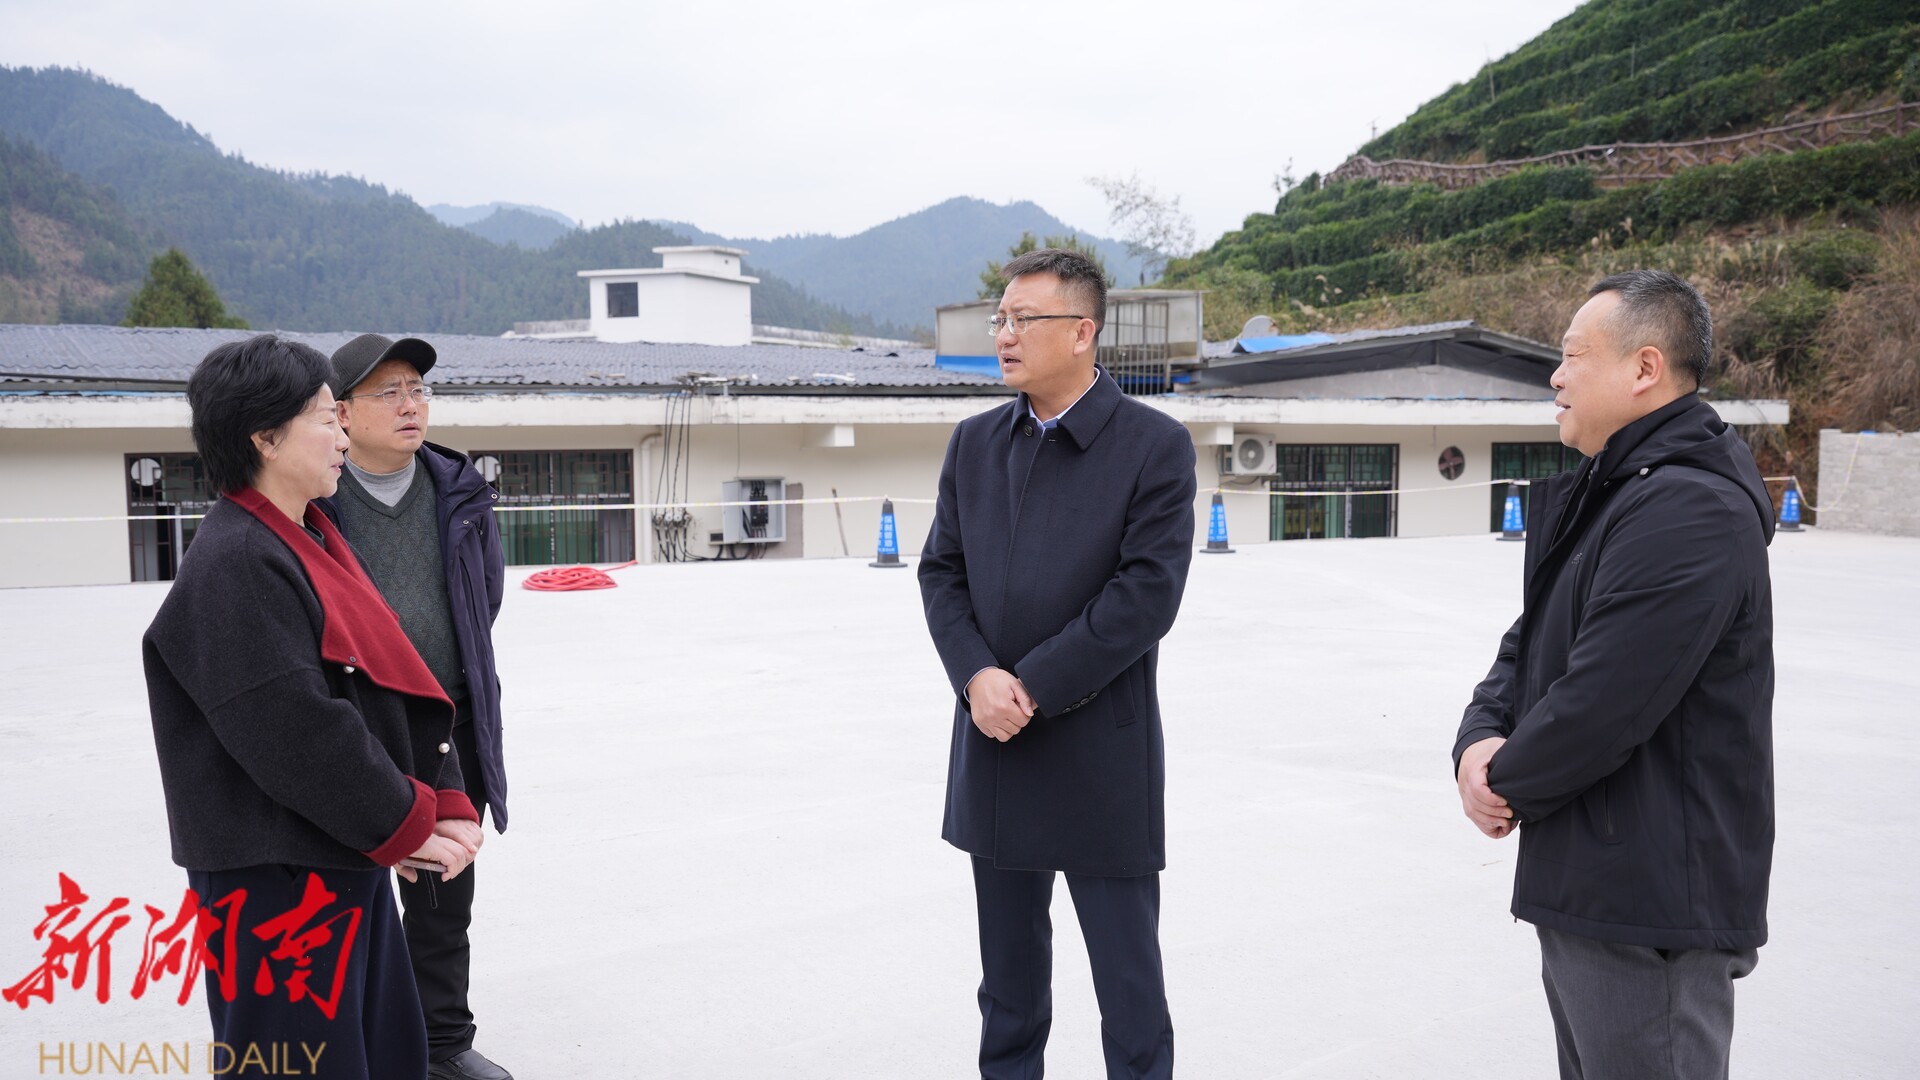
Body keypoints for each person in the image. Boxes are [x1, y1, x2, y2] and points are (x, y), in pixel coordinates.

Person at [1452, 270, 1776, 1079]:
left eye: (1573, 356)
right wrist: (1478, 739)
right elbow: (1531, 639)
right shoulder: (1619, 492)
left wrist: (1503, 782)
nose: (1556, 378)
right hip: (1596, 885)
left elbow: (1605, 701)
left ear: (1645, 368)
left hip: (1650, 907)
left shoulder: (1690, 508)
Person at [143, 334, 479, 1079]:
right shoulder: (236, 560)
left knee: (378, 1050)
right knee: (301, 1062)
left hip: (335, 852)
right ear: (264, 437)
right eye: (327, 419)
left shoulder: (306, 534)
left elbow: (382, 677)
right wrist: (405, 820)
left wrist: (437, 796)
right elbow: (295, 729)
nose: (342, 438)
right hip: (276, 875)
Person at [919, 248, 1196, 1079]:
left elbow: (1145, 596)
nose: (1003, 335)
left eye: (1022, 320)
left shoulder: (1153, 445)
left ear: (1082, 331)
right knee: (1007, 991)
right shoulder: (975, 443)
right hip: (995, 744)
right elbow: (941, 573)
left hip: (1097, 751)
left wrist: (1031, 685)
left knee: (1130, 992)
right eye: (998, 319)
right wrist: (977, 677)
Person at [324, 333, 512, 1080]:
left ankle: (441, 1045)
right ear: (341, 413)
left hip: (447, 719)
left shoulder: (458, 488)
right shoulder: (316, 495)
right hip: (353, 720)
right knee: (346, 885)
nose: (410, 405)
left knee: (442, 889)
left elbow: (483, 597)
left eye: (418, 390)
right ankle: (351, 1040)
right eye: (388, 392)